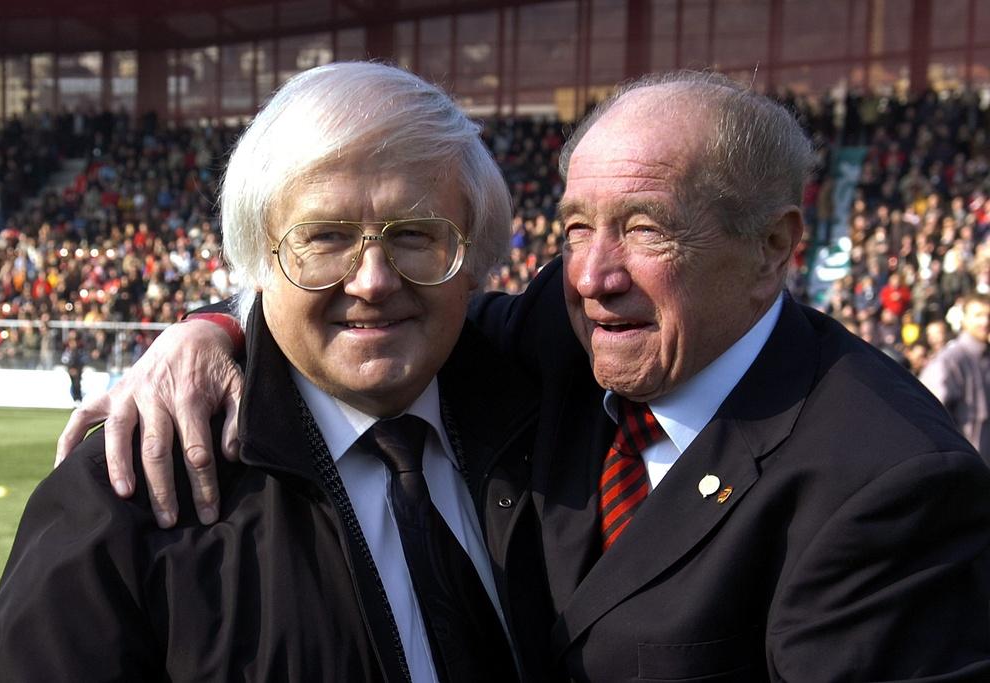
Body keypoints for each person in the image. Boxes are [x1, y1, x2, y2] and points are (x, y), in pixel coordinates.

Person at [56, 71, 990, 681]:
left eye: (647, 227)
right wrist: (219, 328)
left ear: (776, 247)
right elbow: (385, 309)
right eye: (577, 226)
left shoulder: (887, 479)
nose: (592, 274)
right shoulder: (567, 337)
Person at [0, 63, 552, 682]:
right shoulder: (122, 502)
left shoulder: (552, 416)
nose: (374, 280)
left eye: (416, 234)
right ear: (258, 259)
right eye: (325, 237)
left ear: (473, 255)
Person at [920, 293, 990, 465]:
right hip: (967, 467)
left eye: (988, 315)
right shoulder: (950, 360)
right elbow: (929, 414)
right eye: (978, 315)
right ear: (964, 319)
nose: (985, 322)